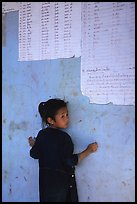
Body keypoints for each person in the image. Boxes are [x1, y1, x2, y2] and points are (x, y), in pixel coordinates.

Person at [28, 98, 98, 202]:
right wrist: (88, 150)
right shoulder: (64, 138)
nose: (67, 119)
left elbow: (34, 154)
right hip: (62, 186)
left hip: (46, 185)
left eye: (67, 115)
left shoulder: (42, 135)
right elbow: (70, 161)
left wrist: (34, 145)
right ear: (50, 120)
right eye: (62, 116)